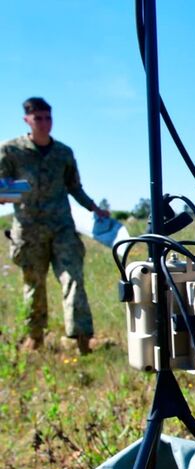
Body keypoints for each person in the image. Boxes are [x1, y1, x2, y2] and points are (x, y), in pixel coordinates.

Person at [0, 97, 110, 354]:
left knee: (73, 279)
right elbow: (1, 189)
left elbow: (74, 187)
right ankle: (34, 338)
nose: (45, 123)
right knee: (34, 286)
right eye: (38, 118)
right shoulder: (10, 151)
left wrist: (94, 208)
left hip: (62, 229)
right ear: (27, 120)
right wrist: (21, 190)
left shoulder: (63, 153)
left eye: (48, 117)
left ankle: (82, 339)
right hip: (28, 232)